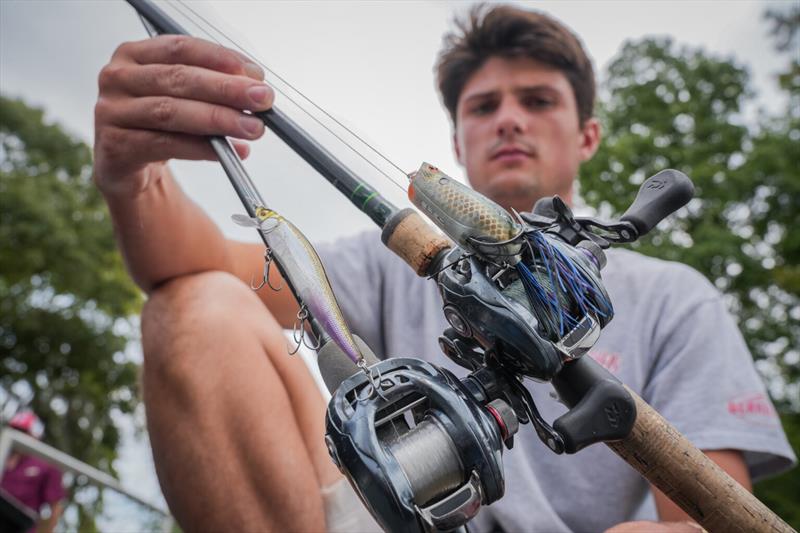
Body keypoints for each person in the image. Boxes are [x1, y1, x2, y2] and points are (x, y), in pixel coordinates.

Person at [92, 4, 795, 532]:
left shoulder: (676, 296)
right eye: (484, 106)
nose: (509, 120)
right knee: (196, 307)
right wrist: (131, 176)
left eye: (538, 100)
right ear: (457, 143)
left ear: (588, 135)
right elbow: (188, 265)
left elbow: (707, 519)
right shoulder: (386, 262)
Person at [1, 412, 66, 533]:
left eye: (23, 432)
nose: (18, 435)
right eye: (15, 430)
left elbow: (56, 508)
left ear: (34, 436)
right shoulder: (2, 455)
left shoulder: (46, 465)